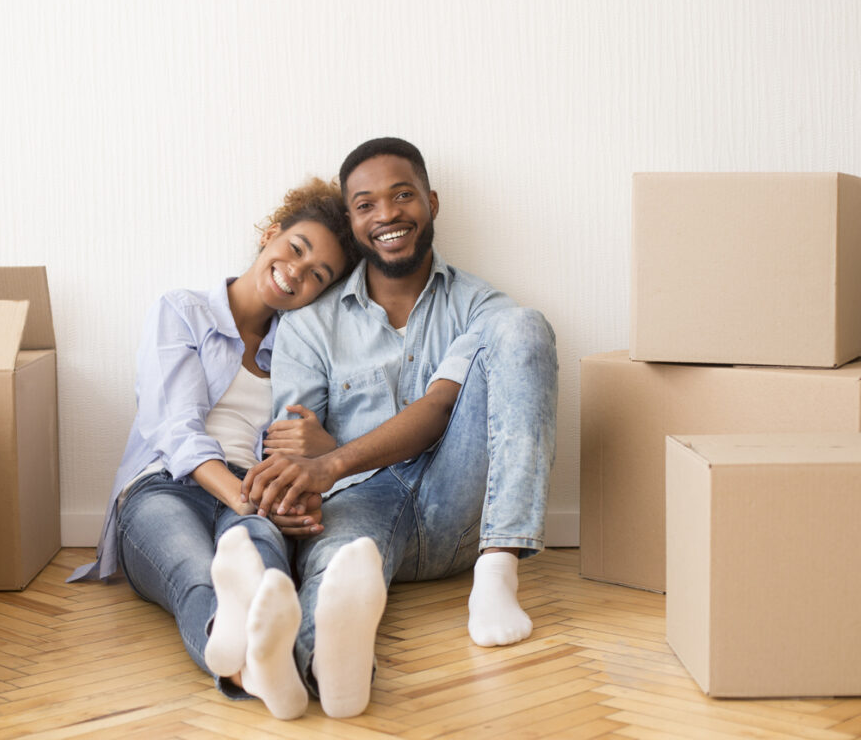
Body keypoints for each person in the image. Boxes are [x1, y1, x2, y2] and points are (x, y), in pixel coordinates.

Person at [242, 138, 559, 718]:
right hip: (358, 506)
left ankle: (498, 574)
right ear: (353, 221)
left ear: (431, 203)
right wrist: (313, 474)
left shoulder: (478, 305)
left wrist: (334, 454)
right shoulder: (310, 323)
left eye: (402, 195)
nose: (387, 214)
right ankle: (319, 675)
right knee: (337, 577)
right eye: (365, 205)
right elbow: (292, 442)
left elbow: (440, 408)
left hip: (459, 509)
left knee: (525, 327)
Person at [68, 178, 357, 720]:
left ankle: (267, 672)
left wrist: (322, 450)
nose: (297, 272)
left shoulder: (302, 349)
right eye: (296, 249)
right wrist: (248, 501)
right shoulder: (183, 310)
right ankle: (269, 673)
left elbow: (323, 451)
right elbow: (176, 428)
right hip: (164, 488)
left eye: (319, 274)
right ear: (271, 235)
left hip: (252, 491)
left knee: (265, 572)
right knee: (198, 573)